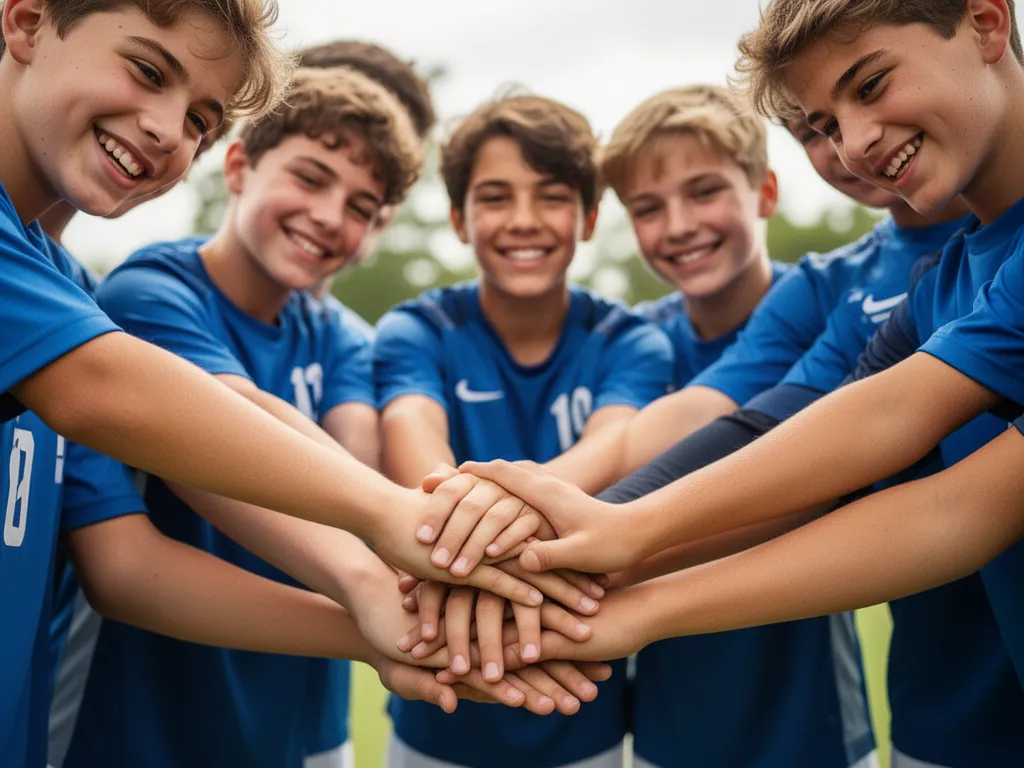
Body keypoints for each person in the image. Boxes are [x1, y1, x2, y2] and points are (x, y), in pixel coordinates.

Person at [450, 1, 1024, 765]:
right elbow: (815, 427)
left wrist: (614, 564)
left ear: (987, 23)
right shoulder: (943, 283)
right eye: (818, 124)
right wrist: (585, 547)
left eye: (872, 84)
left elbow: (955, 506)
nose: (851, 146)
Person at [374, 92, 674, 768]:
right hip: (434, 719)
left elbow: (614, 446)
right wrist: (464, 514)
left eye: (552, 196)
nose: (524, 221)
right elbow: (415, 446)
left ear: (591, 217)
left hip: (582, 715)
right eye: (496, 197)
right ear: (458, 217)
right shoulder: (417, 329)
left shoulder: (632, 340)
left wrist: (470, 524)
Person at [599, 84, 875, 768]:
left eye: (704, 191)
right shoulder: (632, 344)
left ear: (765, 192)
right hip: (670, 722)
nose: (679, 225)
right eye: (648, 208)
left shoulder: (832, 310)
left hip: (810, 723)